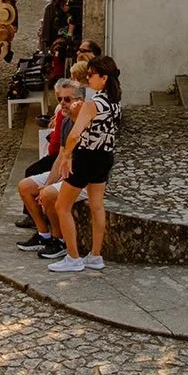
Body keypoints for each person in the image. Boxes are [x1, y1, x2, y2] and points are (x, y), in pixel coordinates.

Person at [41, 55, 123, 272]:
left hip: (87, 157)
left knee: (62, 205)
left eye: (91, 75)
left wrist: (67, 156)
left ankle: (73, 257)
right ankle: (95, 255)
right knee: (97, 206)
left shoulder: (93, 104)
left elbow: (75, 134)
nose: (88, 78)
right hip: (105, 157)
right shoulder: (115, 103)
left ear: (103, 78)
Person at [15, 80, 84, 241]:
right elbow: (60, 156)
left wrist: (49, 186)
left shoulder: (84, 123)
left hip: (81, 175)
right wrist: (48, 183)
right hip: (67, 170)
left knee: (47, 194)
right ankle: (43, 234)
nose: (62, 104)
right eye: (60, 99)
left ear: (80, 100)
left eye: (68, 99)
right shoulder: (66, 121)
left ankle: (58, 238)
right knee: (25, 186)